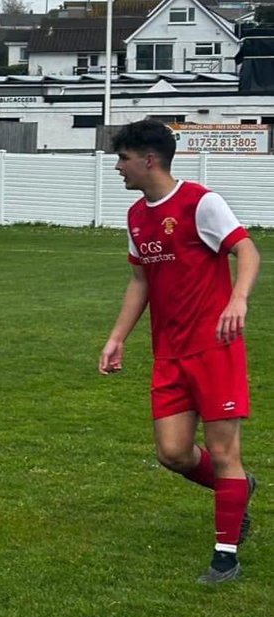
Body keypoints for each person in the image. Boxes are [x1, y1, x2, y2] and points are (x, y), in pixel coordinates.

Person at [99, 118, 260, 584]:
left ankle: (225, 556)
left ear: (149, 160)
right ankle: (239, 490)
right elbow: (140, 282)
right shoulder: (136, 216)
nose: (118, 168)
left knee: (224, 449)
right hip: (169, 353)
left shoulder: (201, 202)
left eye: (123, 159)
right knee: (173, 453)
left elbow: (246, 251)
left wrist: (238, 298)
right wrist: (117, 337)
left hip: (215, 348)